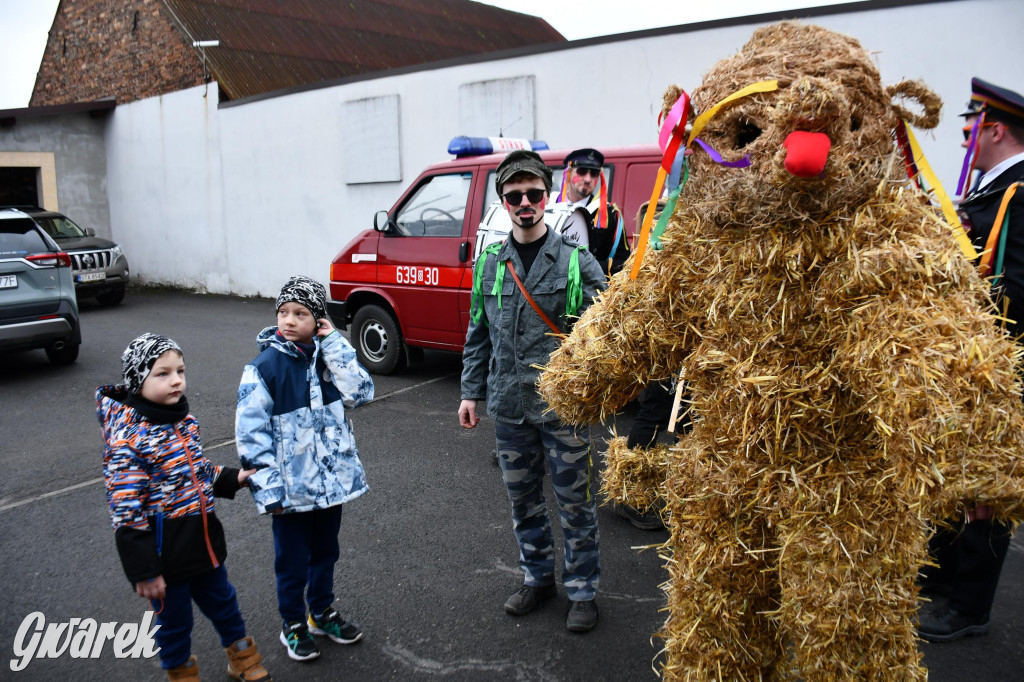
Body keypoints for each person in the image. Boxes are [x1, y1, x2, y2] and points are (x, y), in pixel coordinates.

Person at [459, 149, 608, 632]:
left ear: (548, 196)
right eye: (514, 195)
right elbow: (478, 332)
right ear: (504, 202)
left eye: (534, 194)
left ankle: (583, 591)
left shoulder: (574, 261)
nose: (525, 202)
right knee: (523, 502)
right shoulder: (490, 265)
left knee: (575, 503)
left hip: (561, 407)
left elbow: (606, 327)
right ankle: (538, 576)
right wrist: (469, 393)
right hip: (509, 406)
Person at [918, 77, 1024, 643]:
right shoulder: (990, 190)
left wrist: (961, 289)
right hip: (972, 358)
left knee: (987, 490)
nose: (963, 143)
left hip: (1001, 363)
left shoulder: (1019, 191)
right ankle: (947, 575)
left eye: (969, 130)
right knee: (956, 476)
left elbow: (1017, 287)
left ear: (996, 129)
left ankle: (970, 607)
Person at [98, 333, 270, 682]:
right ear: (137, 380)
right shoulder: (127, 440)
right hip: (164, 557)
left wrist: (235, 478)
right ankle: (180, 672)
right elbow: (125, 510)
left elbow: (199, 470)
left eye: (180, 370)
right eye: (162, 373)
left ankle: (241, 657)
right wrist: (143, 570)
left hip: (202, 544)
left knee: (225, 604)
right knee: (174, 623)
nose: (176, 379)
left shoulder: (183, 422)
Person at [236, 275, 374, 661]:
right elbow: (251, 435)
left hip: (331, 485)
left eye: (300, 313)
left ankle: (321, 612)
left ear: (319, 320)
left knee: (325, 553)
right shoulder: (264, 368)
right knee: (292, 562)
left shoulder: (330, 358)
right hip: (290, 491)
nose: (290, 320)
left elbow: (361, 393)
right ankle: (293, 623)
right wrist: (268, 490)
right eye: (284, 312)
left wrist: (334, 344)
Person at [558, 148, 631, 276]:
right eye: (582, 171)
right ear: (568, 172)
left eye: (594, 174)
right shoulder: (551, 207)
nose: (588, 179)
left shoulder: (611, 214)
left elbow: (624, 262)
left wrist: (587, 268)